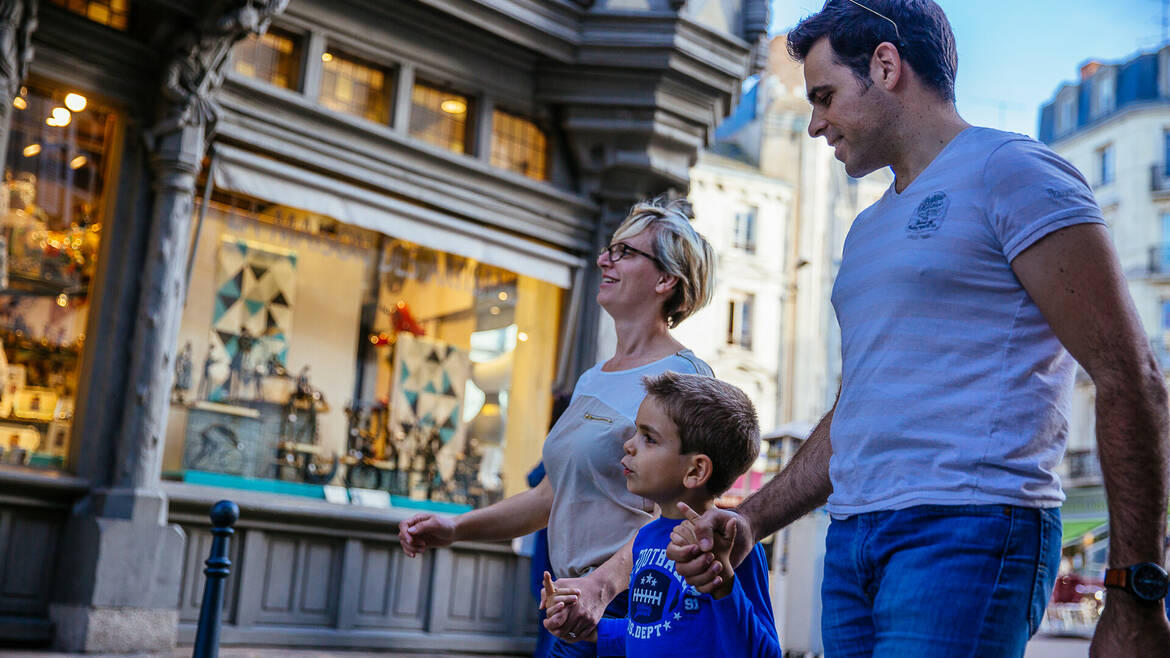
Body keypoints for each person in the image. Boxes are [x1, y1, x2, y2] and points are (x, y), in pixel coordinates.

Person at [663, 2, 1170, 657]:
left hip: (970, 527)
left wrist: (1135, 591)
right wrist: (749, 520)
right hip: (852, 541)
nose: (815, 123)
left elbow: (1131, 375)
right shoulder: (867, 229)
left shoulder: (1012, 170)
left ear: (885, 65)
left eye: (825, 96)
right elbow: (858, 413)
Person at [398, 197, 717, 658]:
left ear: (666, 280)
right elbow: (548, 497)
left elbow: (679, 520)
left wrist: (602, 587)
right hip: (571, 605)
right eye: (609, 248)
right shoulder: (593, 377)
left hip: (630, 608)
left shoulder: (684, 377)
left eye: (625, 252)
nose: (603, 259)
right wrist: (455, 527)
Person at [542, 371, 780, 657]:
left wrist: (724, 582)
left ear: (695, 470)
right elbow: (651, 631)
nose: (629, 445)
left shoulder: (730, 546)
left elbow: (765, 653)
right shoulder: (645, 537)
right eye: (635, 432)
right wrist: (585, 630)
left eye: (648, 438)